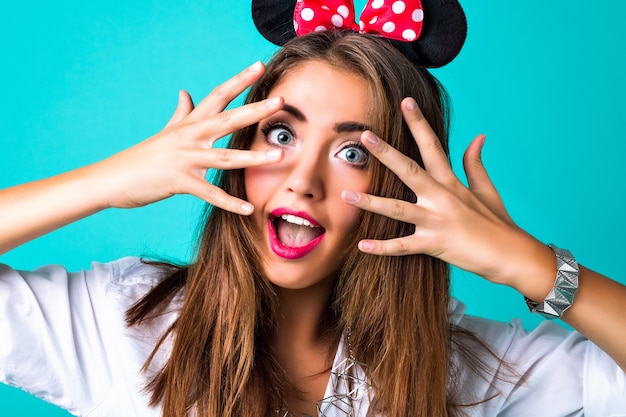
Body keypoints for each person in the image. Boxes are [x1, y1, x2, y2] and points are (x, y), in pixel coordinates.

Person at [1, 2, 626, 417]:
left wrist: (530, 265)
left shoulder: (463, 373)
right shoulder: (123, 323)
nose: (303, 180)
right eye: (281, 134)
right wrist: (106, 181)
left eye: (353, 151)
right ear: (240, 146)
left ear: (401, 188)